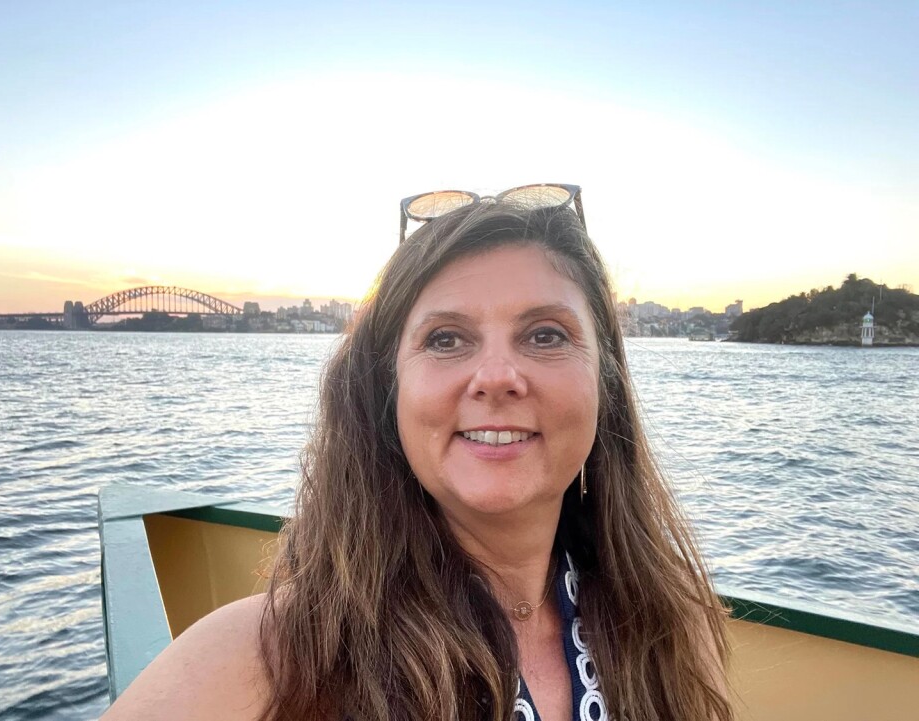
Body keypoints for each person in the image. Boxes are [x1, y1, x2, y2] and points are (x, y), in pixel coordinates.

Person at [102, 185, 731, 721]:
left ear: (606, 383)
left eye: (545, 334)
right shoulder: (263, 660)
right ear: (387, 392)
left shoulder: (675, 632)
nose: (497, 375)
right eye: (447, 338)